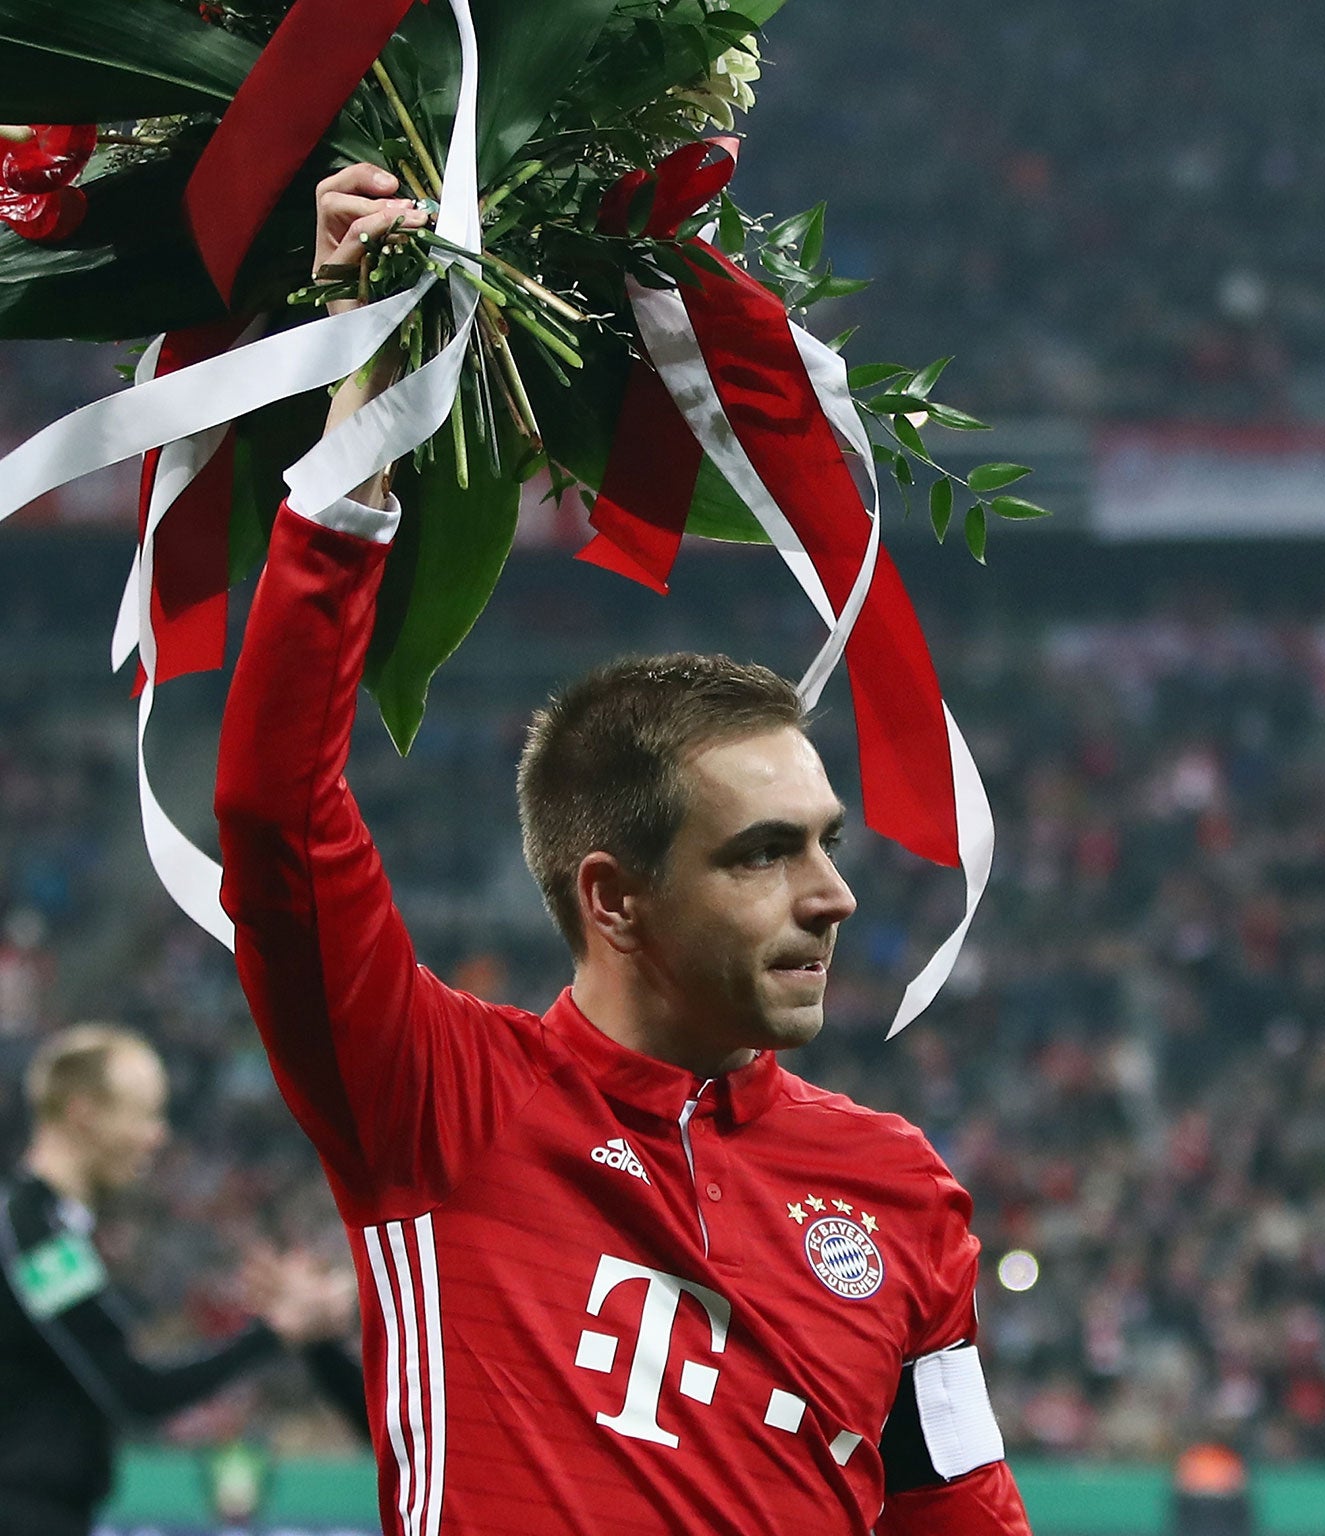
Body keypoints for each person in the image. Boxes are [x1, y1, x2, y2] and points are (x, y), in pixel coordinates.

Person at [211, 163, 1030, 1535]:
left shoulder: (900, 1190)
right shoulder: (434, 1105)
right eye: (764, 854)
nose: (832, 897)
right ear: (616, 897)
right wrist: (373, 392)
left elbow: (960, 1519)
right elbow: (275, 819)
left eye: (825, 846)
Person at [0, 1024, 356, 1536]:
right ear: (82, 1113)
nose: (158, 1135)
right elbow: (134, 1391)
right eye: (144, 1114)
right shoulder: (35, 1233)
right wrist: (275, 1331)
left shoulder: (54, 1229)